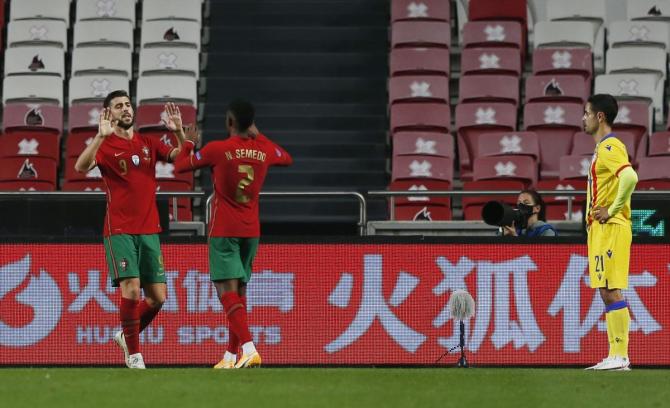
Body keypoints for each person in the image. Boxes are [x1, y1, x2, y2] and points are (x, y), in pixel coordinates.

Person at [173, 99, 293, 369]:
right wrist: (258, 134)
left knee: (226, 292)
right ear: (249, 123)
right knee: (238, 293)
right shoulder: (263, 150)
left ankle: (249, 349)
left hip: (224, 229)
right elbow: (286, 157)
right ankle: (230, 356)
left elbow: (181, 166)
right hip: (251, 230)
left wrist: (189, 143)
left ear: (229, 122)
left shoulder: (218, 149)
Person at [74, 90, 186, 369]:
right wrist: (99, 136)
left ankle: (125, 336)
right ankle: (135, 356)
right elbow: (80, 166)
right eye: (118, 106)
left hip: (149, 228)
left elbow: (184, 160)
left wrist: (180, 132)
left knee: (158, 297)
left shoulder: (148, 142)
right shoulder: (105, 144)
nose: (125, 109)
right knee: (132, 290)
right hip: (120, 228)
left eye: (127, 104)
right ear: (108, 113)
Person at [582, 94, 638, 371]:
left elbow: (630, 177)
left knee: (612, 290)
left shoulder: (610, 146)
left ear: (599, 116)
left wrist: (613, 210)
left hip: (612, 226)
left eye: (587, 113)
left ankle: (620, 356)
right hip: (601, 230)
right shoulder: (601, 149)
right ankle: (615, 355)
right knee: (606, 290)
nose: (584, 118)